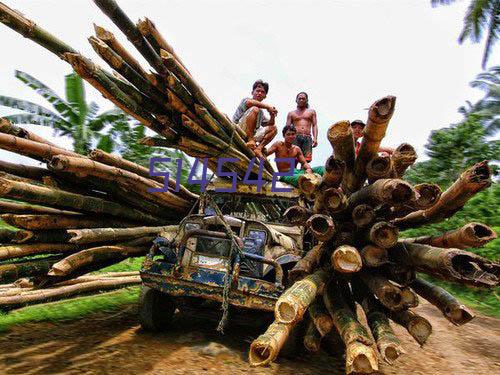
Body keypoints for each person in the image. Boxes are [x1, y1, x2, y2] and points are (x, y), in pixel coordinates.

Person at [232, 80, 278, 159]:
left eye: (262, 92)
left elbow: (269, 124)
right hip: (238, 129)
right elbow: (250, 103)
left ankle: (259, 148)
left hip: (252, 134)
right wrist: (268, 107)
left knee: (274, 128)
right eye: (257, 91)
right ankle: (250, 139)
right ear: (252, 92)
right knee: (255, 109)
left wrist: (272, 115)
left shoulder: (261, 112)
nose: (259, 93)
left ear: (265, 96)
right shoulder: (246, 100)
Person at [286, 92, 318, 162]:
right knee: (293, 159)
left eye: (303, 99)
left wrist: (315, 138)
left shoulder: (311, 112)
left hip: (307, 137)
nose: (301, 100)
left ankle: (304, 172)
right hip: (295, 137)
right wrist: (287, 140)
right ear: (296, 100)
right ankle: (293, 172)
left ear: (306, 100)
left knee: (306, 159)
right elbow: (287, 128)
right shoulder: (291, 113)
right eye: (299, 98)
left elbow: (314, 125)